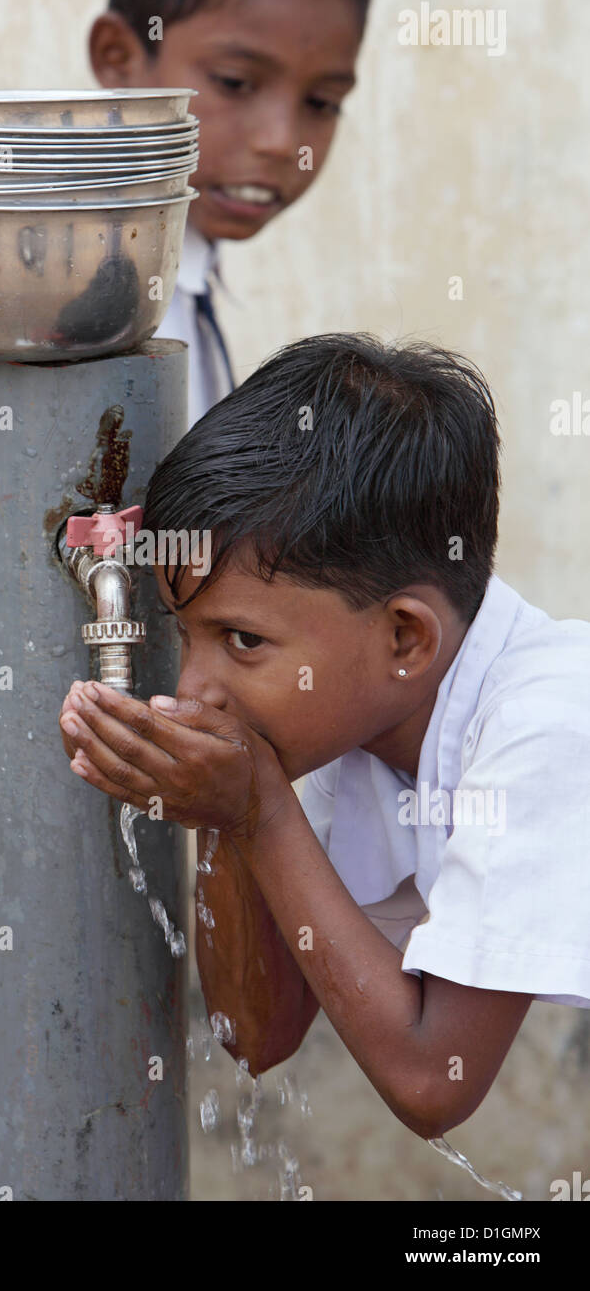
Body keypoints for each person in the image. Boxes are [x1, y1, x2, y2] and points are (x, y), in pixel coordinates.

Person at [0, 0, 371, 1183]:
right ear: (119, 61)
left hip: (61, 785)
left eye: (322, 101)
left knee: (84, 1142)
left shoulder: (179, 289)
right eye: (236, 83)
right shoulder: (79, 283)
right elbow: (47, 471)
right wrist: (34, 456)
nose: (279, 140)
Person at [58, 332, 590, 1137]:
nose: (193, 691)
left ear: (406, 639)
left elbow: (433, 1082)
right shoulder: (356, 721)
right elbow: (257, 1036)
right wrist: (225, 813)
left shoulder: (548, 722)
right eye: (183, 635)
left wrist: (259, 813)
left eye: (242, 641)